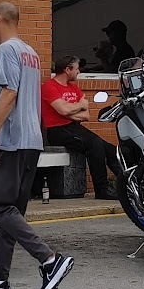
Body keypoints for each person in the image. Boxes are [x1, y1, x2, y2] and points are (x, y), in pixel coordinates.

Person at [0, 2, 74, 289]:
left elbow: (10, 92)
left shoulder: (5, 51)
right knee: (11, 212)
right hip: (31, 141)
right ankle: (0, 280)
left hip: (11, 141)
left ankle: (49, 260)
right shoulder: (31, 53)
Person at [41, 55, 118, 199]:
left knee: (110, 149)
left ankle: (126, 184)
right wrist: (76, 107)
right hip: (57, 130)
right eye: (76, 69)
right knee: (94, 144)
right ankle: (102, 189)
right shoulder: (49, 87)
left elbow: (86, 115)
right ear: (67, 69)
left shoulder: (74, 87)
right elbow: (64, 110)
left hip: (74, 127)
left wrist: (68, 112)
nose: (79, 72)